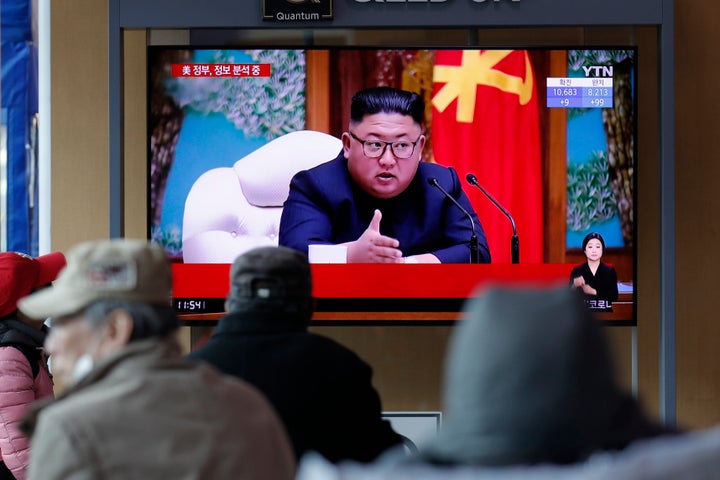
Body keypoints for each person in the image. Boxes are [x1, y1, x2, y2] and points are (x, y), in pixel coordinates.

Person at [17, 239, 295, 480]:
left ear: (115, 329)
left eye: (63, 322)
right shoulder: (250, 406)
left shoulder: (70, 429)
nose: (52, 343)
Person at [187, 245, 404, 462]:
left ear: (229, 302)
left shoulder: (188, 374)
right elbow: (382, 461)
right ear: (310, 306)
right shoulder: (342, 368)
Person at [279, 86, 491, 264]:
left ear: (420, 148)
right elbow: (291, 258)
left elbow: (477, 252)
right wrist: (350, 255)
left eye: (401, 145)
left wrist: (410, 265)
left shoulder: (441, 184)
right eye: (374, 144)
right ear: (347, 144)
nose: (387, 160)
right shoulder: (314, 186)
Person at [0, 251, 66, 480]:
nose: (52, 289)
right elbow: (18, 448)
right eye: (44, 284)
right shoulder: (10, 355)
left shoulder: (29, 343)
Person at [569, 232, 619, 305]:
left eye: (598, 247)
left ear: (602, 250)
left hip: (605, 312)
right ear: (585, 251)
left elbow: (614, 297)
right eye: (590, 247)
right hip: (582, 312)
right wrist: (574, 285)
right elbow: (568, 297)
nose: (594, 250)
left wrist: (593, 291)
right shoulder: (577, 270)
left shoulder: (609, 271)